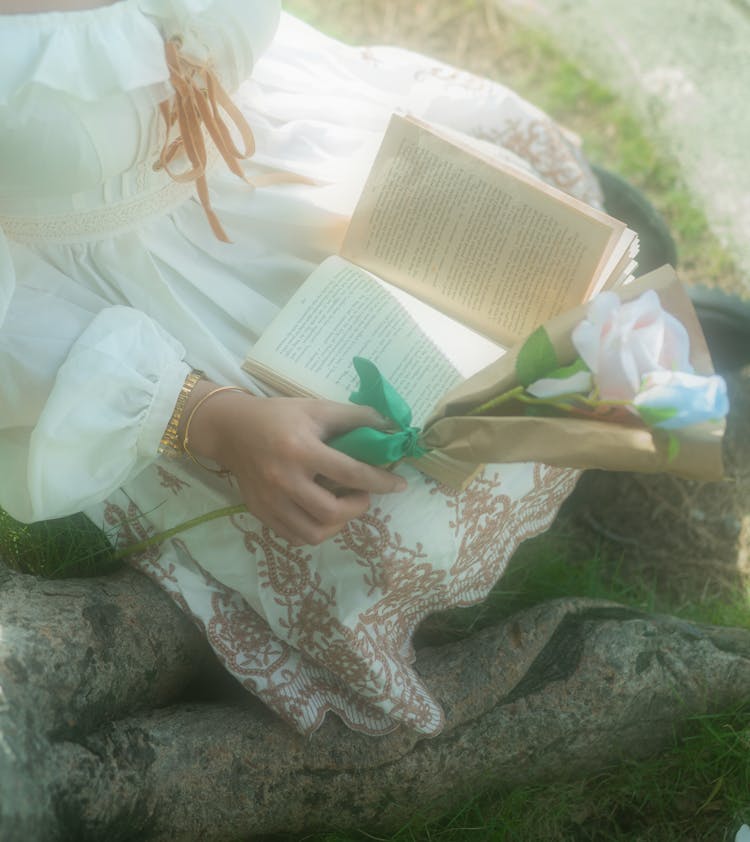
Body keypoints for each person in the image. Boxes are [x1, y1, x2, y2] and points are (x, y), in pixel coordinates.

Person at [0, 0, 604, 736]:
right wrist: (202, 415)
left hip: (272, 156)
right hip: (109, 298)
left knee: (555, 236)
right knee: (402, 510)